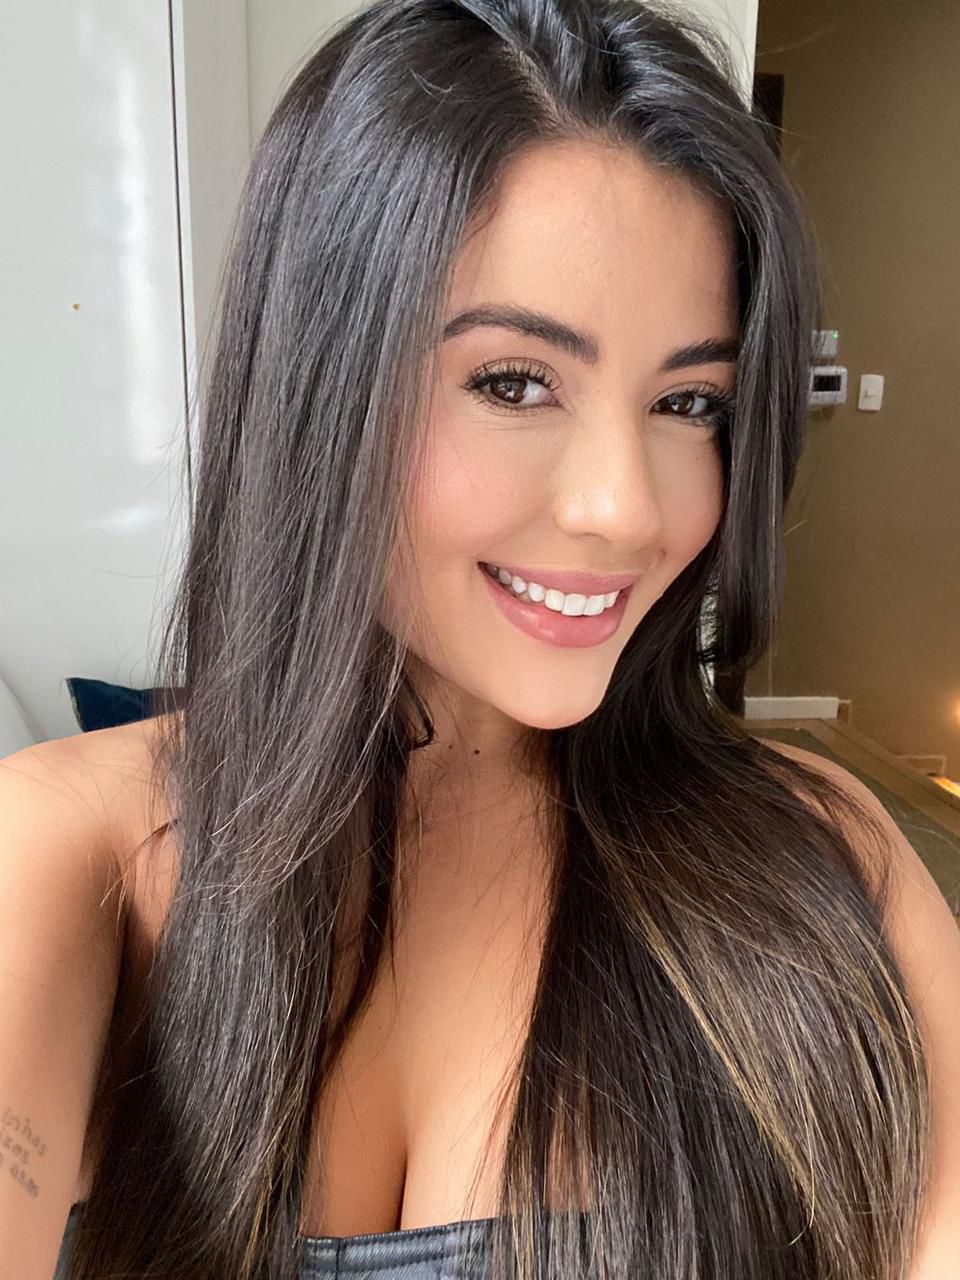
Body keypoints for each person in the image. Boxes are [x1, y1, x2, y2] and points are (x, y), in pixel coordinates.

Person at [3, 0, 959, 1277]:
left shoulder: (827, 860)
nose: (626, 508)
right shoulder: (76, 853)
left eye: (689, 402)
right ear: (321, 385)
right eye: (514, 381)